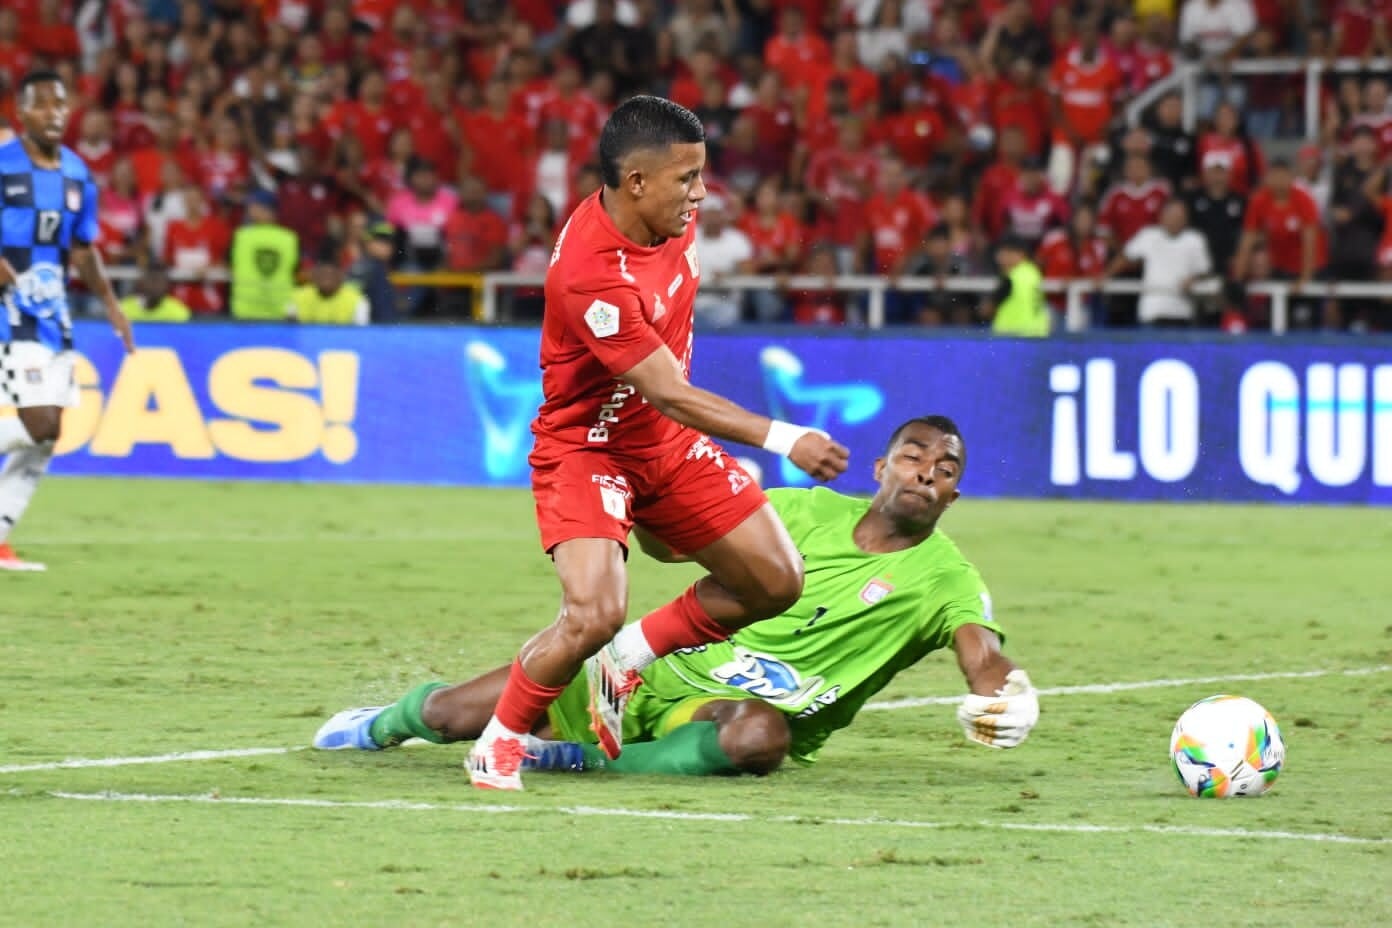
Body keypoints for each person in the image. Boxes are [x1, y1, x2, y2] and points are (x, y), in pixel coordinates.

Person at [438, 96, 848, 790]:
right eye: (687, 178)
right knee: (594, 611)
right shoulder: (590, 274)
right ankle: (501, 739)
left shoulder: (668, 223)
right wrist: (786, 436)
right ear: (635, 183)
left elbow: (669, 401)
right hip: (590, 449)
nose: (701, 194)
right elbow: (669, 390)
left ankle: (626, 659)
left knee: (776, 580)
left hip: (668, 445)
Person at [314, 416, 1040, 775]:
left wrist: (1010, 694)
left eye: (945, 469)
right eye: (913, 456)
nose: (925, 473)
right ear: (881, 465)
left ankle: (569, 762)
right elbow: (676, 548)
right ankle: (384, 720)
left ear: (954, 493)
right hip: (642, 671)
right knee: (447, 717)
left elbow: (983, 658)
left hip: (717, 710)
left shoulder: (948, 578)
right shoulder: (797, 511)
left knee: (762, 738)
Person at [0, 71, 135, 571]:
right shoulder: (2, 166)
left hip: (53, 313)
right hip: (8, 311)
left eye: (61, 105)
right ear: (21, 112)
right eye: (43, 105)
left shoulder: (77, 174)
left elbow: (82, 247)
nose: (55, 114)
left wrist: (111, 304)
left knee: (47, 437)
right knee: (41, 423)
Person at [1102, 199, 1213, 328]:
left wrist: (1193, 279)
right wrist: (1106, 275)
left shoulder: (1195, 240)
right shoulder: (1149, 236)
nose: (1175, 220)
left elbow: (1205, 271)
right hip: (1152, 312)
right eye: (1172, 216)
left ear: (1186, 219)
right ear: (1162, 217)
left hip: (1183, 314)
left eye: (1179, 217)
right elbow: (1125, 258)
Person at [229, 189, 299, 321]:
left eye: (253, 206)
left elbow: (231, 265)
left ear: (266, 209)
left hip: (249, 311)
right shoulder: (290, 238)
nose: (249, 210)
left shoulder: (242, 236)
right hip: (276, 309)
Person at [286, 244, 370, 325]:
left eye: (330, 275)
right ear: (314, 275)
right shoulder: (297, 297)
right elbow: (290, 331)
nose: (326, 280)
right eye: (322, 274)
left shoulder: (357, 300)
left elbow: (361, 335)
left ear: (341, 276)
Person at [983, 236, 1050, 337]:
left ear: (1019, 254)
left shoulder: (1012, 278)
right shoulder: (1033, 272)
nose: (1000, 257)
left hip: (1015, 335)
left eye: (1003, 253)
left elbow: (987, 310)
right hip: (1039, 332)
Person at [118, 264, 191, 322]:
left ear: (167, 285)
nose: (156, 285)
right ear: (141, 282)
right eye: (152, 279)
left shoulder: (178, 312)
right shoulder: (122, 310)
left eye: (160, 281)